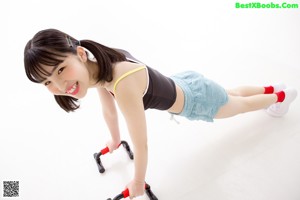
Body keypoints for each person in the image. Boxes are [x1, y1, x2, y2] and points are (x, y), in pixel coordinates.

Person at [23, 28, 297, 199]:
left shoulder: (122, 82)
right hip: (188, 83)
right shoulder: (100, 67)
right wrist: (114, 140)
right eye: (47, 82)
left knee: (240, 106)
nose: (60, 86)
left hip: (196, 100)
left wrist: (138, 181)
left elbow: (140, 142)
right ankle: (274, 88)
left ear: (80, 54)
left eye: (60, 70)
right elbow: (109, 111)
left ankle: (281, 97)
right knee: (232, 94)